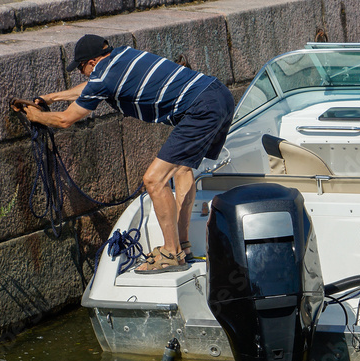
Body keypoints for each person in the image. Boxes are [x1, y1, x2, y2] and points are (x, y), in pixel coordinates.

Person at [13, 34, 234, 273]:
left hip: (200, 108)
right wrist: (51, 97)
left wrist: (37, 116)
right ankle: (182, 245)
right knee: (181, 168)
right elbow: (92, 86)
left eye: (80, 68)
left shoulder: (103, 76)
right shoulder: (124, 54)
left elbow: (66, 119)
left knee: (154, 179)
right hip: (218, 94)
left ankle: (171, 252)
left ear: (93, 62)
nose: (82, 73)